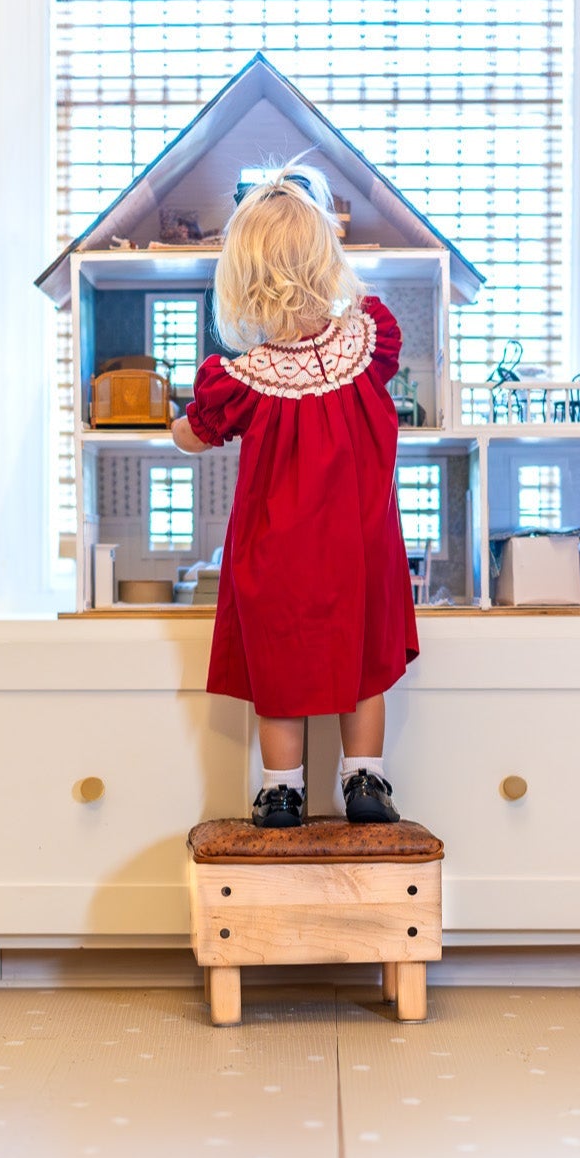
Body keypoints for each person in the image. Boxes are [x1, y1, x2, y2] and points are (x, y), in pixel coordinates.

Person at [171, 164, 417, 829]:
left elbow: (194, 435)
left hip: (275, 556)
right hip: (360, 548)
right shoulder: (368, 345)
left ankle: (281, 790)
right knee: (363, 670)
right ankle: (365, 781)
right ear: (326, 261)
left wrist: (172, 422)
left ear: (244, 282)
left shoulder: (243, 378)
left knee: (278, 680)